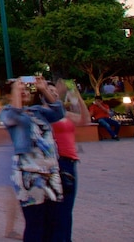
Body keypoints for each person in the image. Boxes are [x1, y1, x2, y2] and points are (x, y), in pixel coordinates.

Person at [0, 77, 65, 242]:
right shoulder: (7, 112)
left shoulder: (38, 111)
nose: (25, 92)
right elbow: (14, 116)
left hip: (50, 171)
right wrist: (16, 90)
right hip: (29, 173)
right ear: (10, 96)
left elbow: (59, 112)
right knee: (35, 223)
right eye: (20, 90)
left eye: (26, 89)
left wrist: (44, 89)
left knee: (54, 222)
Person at [51, 80, 88, 242]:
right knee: (59, 209)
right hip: (58, 162)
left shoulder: (65, 114)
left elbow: (84, 120)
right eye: (50, 91)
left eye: (54, 91)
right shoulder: (47, 113)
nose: (54, 94)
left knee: (66, 209)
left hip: (71, 161)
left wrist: (77, 96)